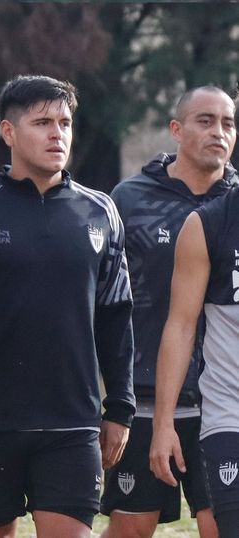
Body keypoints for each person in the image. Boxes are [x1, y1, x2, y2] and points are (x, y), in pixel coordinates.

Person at [0, 75, 135, 538]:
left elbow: (116, 315)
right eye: (42, 122)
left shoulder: (100, 212)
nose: (58, 134)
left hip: (73, 423)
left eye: (65, 123)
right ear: (9, 133)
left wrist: (120, 408)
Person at [101, 86, 237, 538]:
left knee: (219, 524)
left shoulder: (234, 208)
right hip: (144, 393)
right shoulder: (130, 199)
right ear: (176, 129)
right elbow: (103, 296)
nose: (218, 132)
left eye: (228, 123)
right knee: (132, 527)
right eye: (205, 120)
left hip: (221, 398)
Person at [150, 94, 239, 537]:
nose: (221, 131)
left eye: (228, 122)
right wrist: (163, 423)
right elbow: (180, 326)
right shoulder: (208, 224)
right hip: (230, 418)